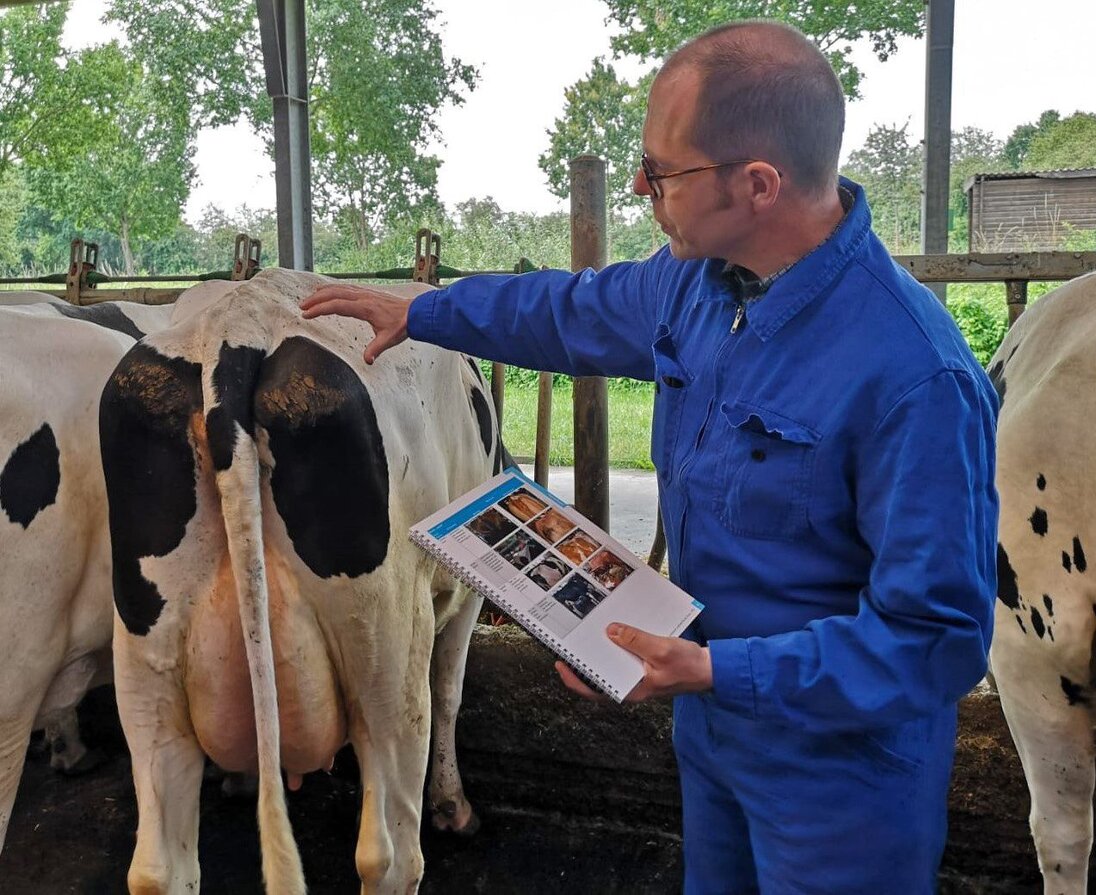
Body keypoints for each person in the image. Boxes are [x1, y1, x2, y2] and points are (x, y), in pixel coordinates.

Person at [302, 19, 998, 895]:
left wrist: (711, 668)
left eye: (663, 170)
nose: (641, 185)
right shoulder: (697, 283)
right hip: (712, 735)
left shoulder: (915, 376)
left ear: (757, 184)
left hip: (842, 777)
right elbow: (562, 310)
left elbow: (935, 641)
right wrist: (423, 309)